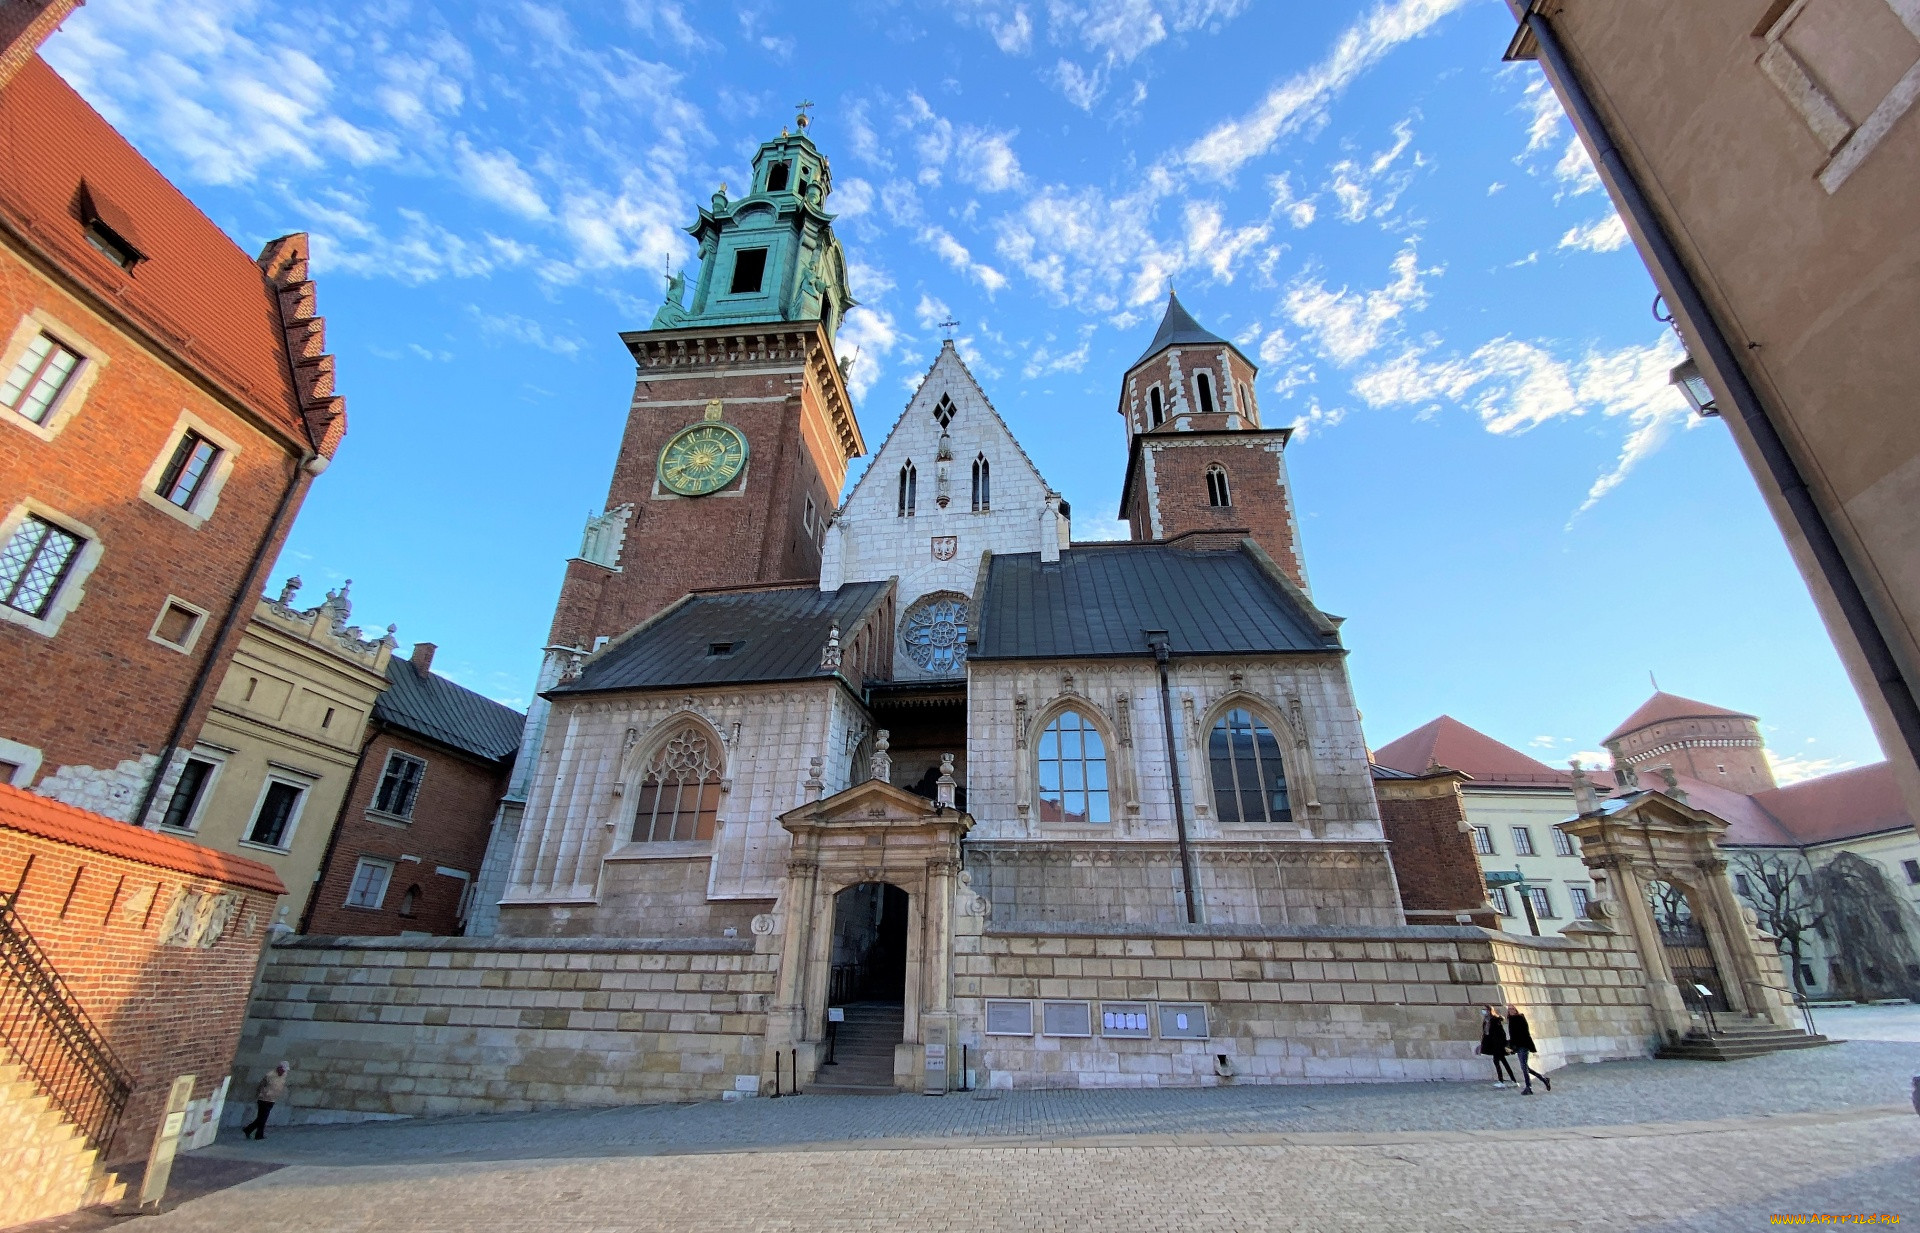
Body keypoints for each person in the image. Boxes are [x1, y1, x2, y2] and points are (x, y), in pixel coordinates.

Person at [1506, 1007, 1551, 1095]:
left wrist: (1531, 1047)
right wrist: (1512, 1047)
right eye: (1509, 1009)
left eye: (1512, 1009)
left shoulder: (1520, 1018)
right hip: (1517, 1047)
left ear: (1515, 1010)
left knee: (1524, 1067)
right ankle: (1544, 1079)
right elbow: (1512, 1036)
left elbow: (1526, 1033)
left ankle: (1528, 1087)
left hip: (1523, 1045)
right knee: (1525, 1067)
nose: (1511, 1010)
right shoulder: (1510, 1020)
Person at [242, 1061, 289, 1139]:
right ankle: (256, 1133)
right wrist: (260, 1094)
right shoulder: (270, 1075)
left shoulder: (283, 1076)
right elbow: (261, 1085)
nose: (284, 1072)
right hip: (264, 1098)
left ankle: (251, 1131)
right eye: (283, 1070)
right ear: (279, 1068)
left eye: (285, 1070)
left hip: (272, 1099)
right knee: (263, 1117)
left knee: (262, 1118)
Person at [1479, 1005, 1517, 1087]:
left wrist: (1501, 1044)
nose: (1483, 1011)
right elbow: (1486, 1034)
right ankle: (1513, 1080)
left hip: (1498, 1045)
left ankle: (1502, 1081)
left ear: (1489, 1010)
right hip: (1492, 1045)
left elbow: (1501, 1033)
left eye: (1485, 1010)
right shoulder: (1486, 1020)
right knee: (1503, 1062)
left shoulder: (1495, 1020)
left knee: (1497, 1061)